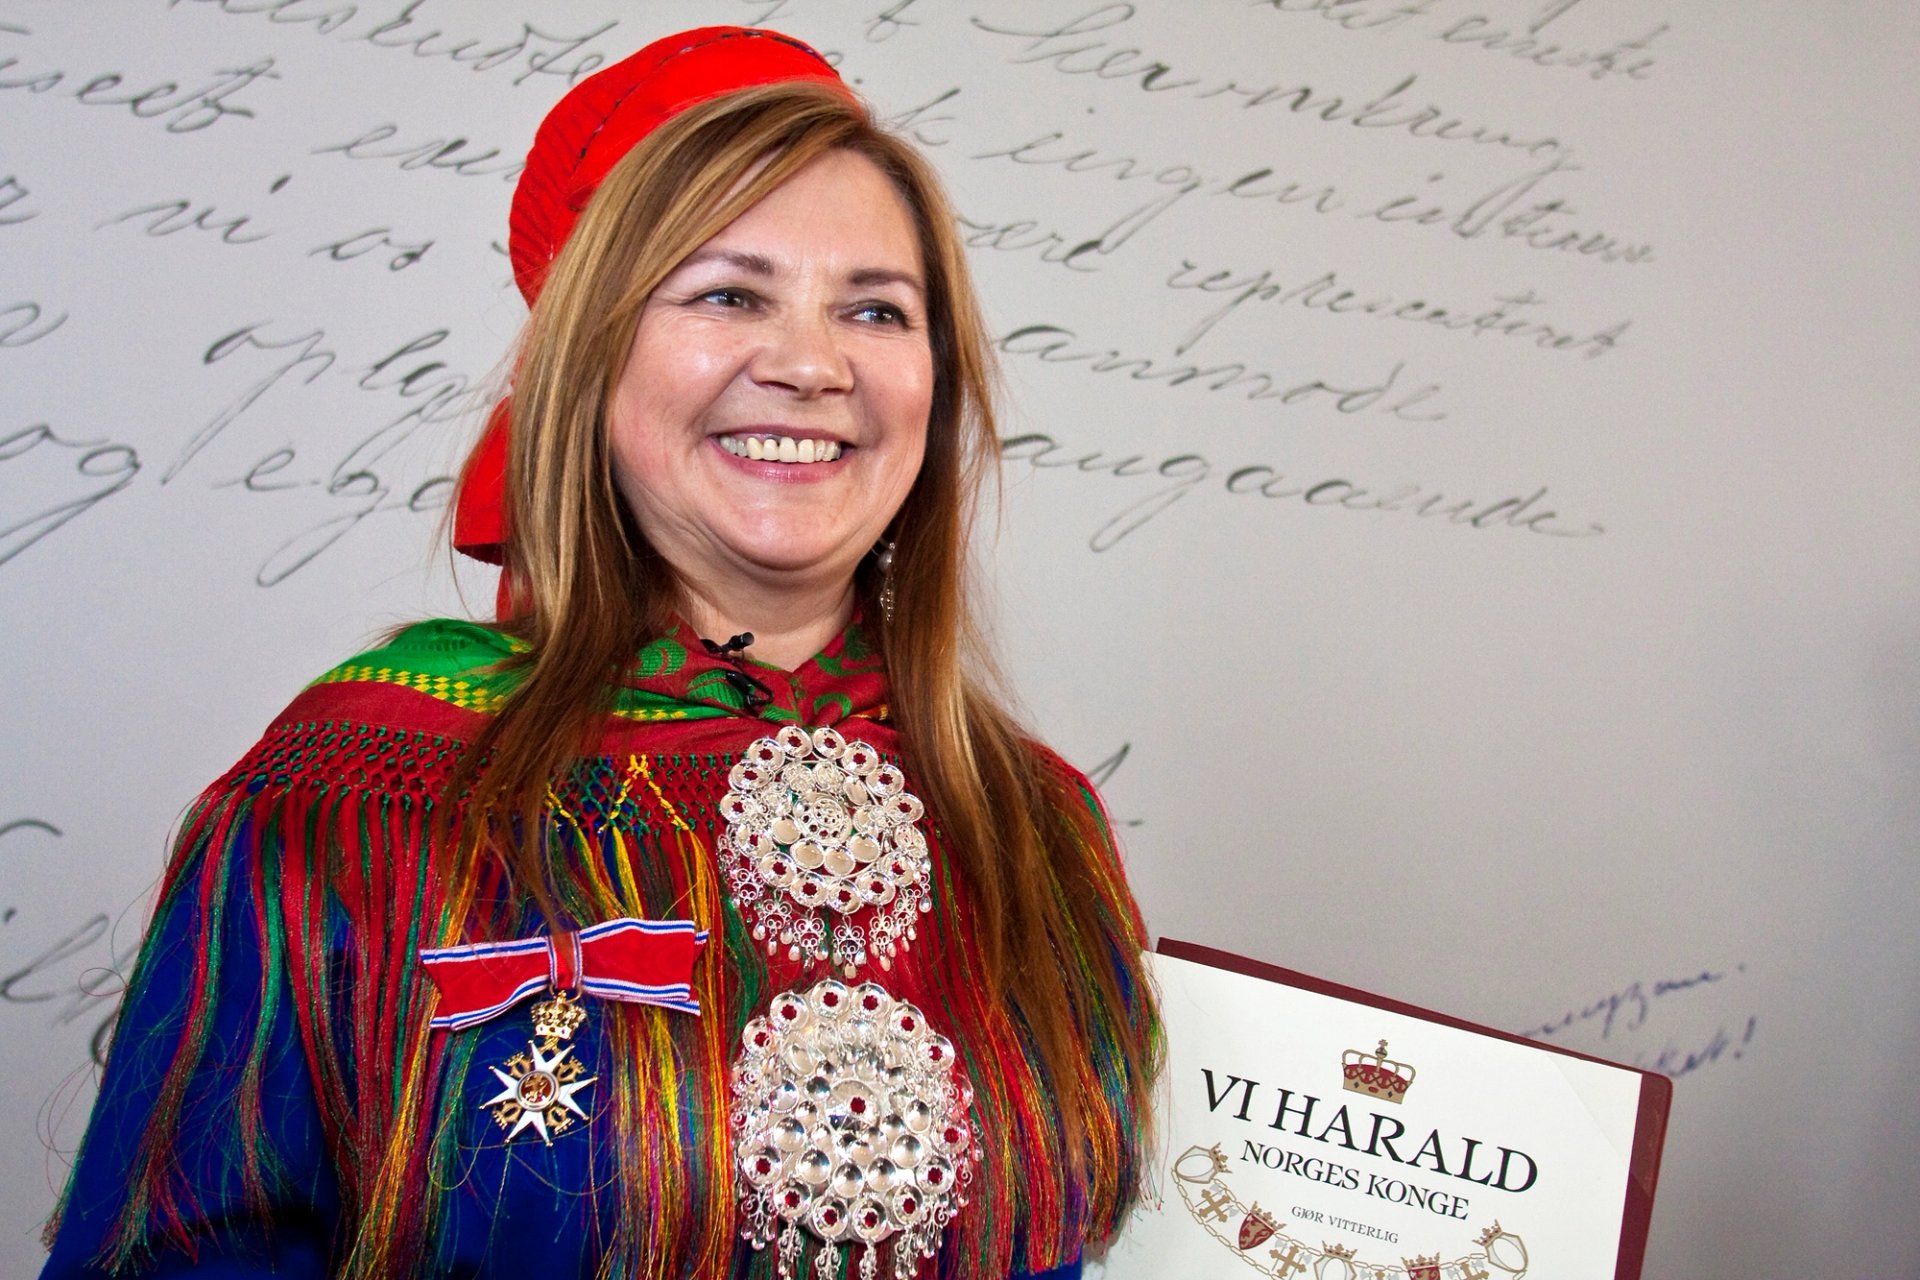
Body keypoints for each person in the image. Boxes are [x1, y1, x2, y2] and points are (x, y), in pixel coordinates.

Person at [42, 25, 1159, 1280]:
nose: (811, 363)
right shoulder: (358, 790)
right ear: (591, 358)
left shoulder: (1041, 824)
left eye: (875, 309)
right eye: (729, 293)